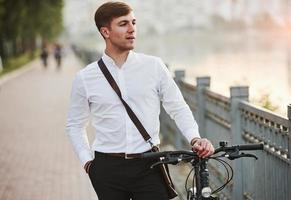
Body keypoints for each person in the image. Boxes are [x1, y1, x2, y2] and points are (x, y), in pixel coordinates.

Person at [66, 2, 214, 200]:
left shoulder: (154, 66)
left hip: (149, 164)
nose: (132, 29)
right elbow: (75, 125)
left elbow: (177, 107)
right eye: (123, 23)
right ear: (105, 32)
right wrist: (88, 163)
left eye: (133, 22)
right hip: (107, 169)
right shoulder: (85, 77)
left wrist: (195, 138)